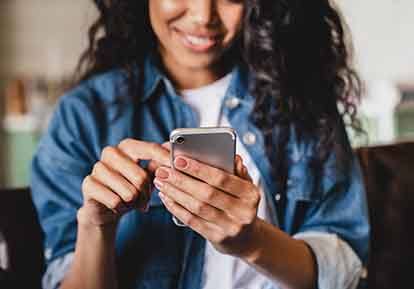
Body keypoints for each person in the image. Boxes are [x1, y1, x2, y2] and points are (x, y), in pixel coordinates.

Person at [30, 1, 370, 289]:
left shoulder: (301, 102)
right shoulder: (84, 116)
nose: (203, 15)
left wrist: (251, 242)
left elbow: (343, 267)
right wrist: (96, 228)